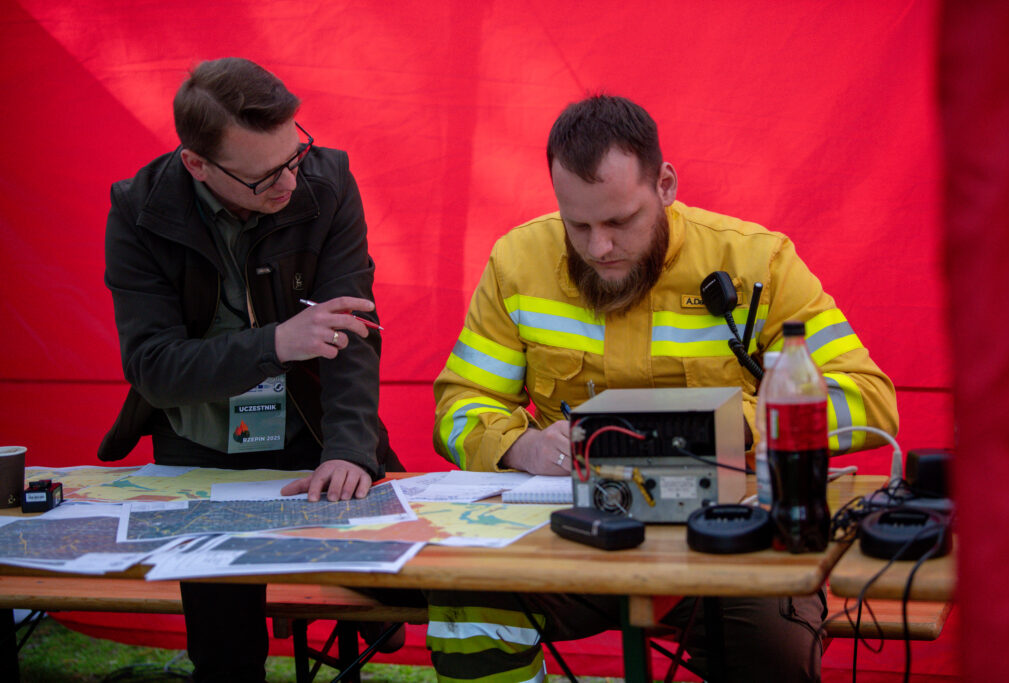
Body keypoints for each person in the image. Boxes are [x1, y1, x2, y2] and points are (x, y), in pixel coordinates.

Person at [429, 95, 898, 682]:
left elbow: (868, 400)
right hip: (571, 532)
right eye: (578, 225)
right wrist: (522, 447)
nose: (599, 248)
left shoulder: (758, 262)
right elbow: (459, 405)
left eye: (620, 221)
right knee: (467, 602)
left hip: (731, 538)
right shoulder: (517, 262)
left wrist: (734, 426)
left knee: (775, 653)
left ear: (666, 185)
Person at [100, 57, 403, 682]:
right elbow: (153, 368)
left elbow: (352, 331)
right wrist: (277, 343)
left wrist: (349, 451)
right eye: (264, 177)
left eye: (295, 155)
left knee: (396, 601)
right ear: (197, 165)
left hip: (309, 430)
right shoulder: (139, 211)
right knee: (226, 655)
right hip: (198, 448)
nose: (289, 183)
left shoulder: (327, 182)